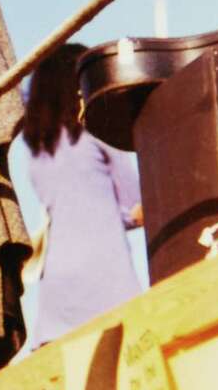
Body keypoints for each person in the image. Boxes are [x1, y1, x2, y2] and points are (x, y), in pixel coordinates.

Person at [12, 42, 143, 355]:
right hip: (105, 277)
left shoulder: (37, 153)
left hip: (57, 289)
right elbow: (139, 208)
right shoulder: (100, 133)